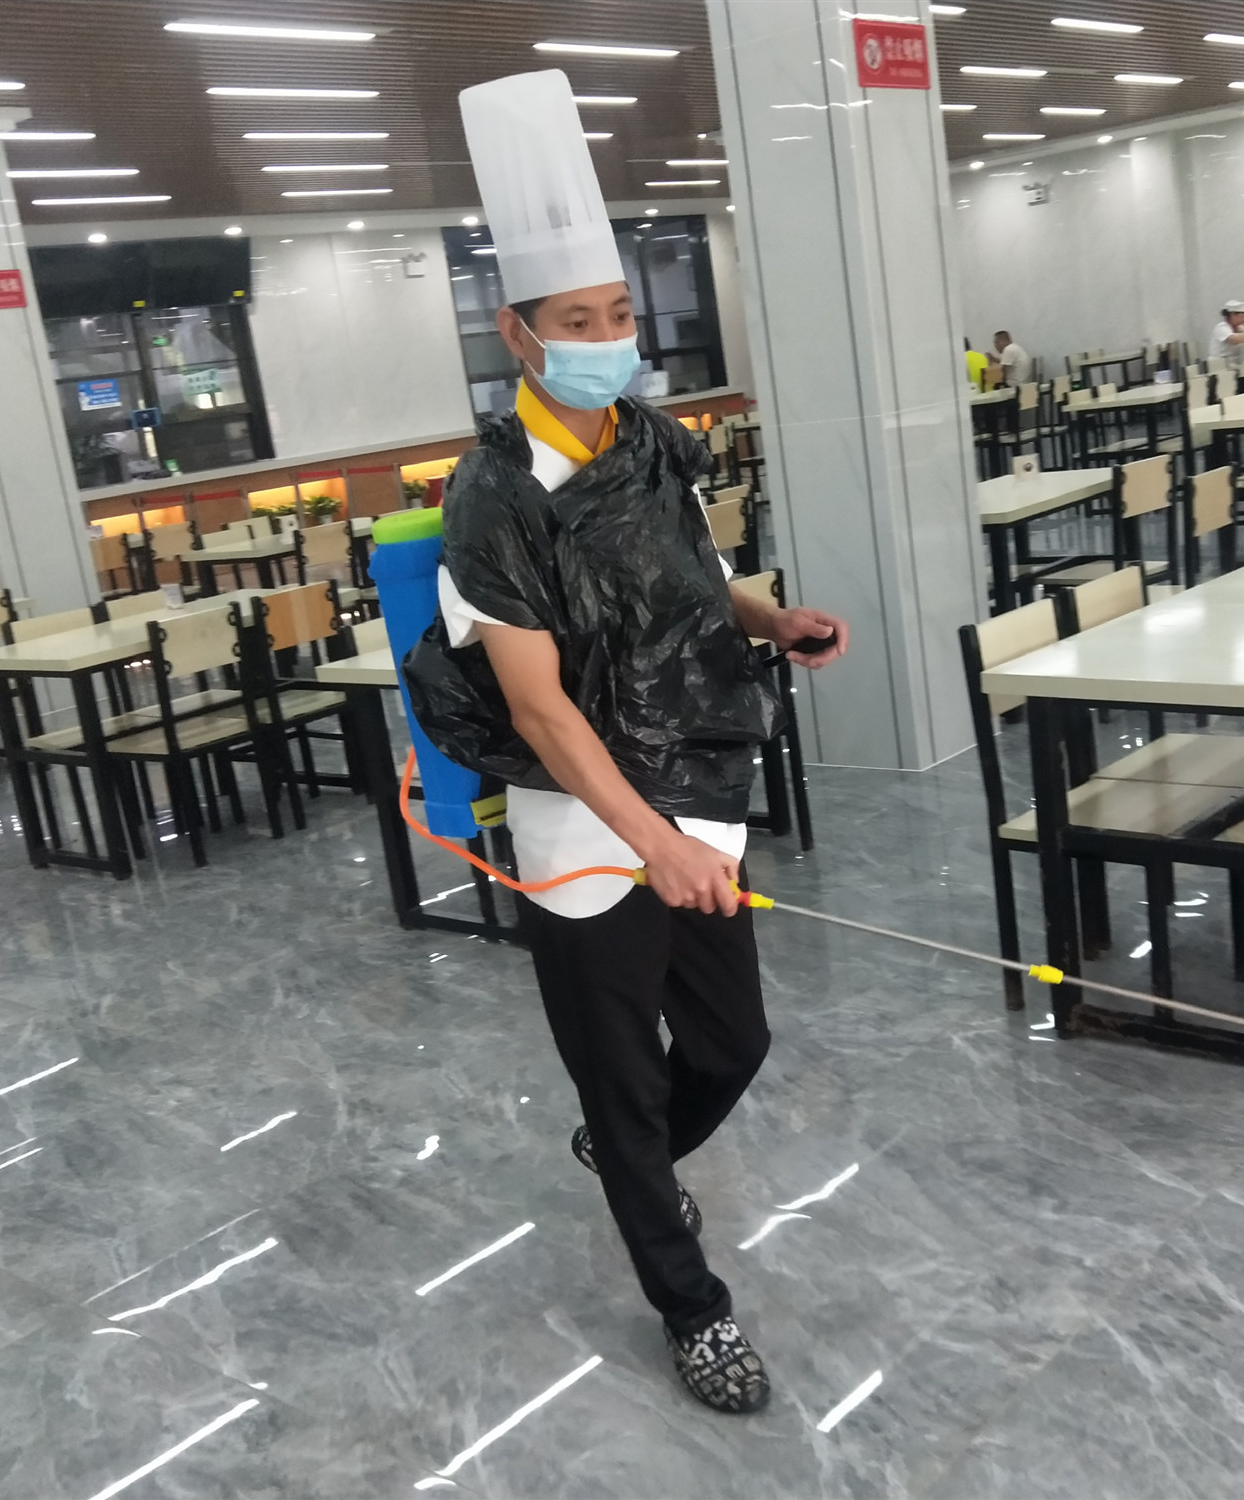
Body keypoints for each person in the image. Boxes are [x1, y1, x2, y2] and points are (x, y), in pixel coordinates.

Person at [412, 69, 849, 1417]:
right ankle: (691, 1305)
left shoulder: (652, 440)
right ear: (518, 332)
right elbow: (539, 707)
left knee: (730, 1042)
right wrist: (646, 840)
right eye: (578, 321)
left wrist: (770, 618)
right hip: (580, 818)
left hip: (694, 781)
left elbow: (693, 580)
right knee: (619, 1071)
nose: (609, 339)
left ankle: (629, 1155)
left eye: (618, 314)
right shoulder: (493, 497)